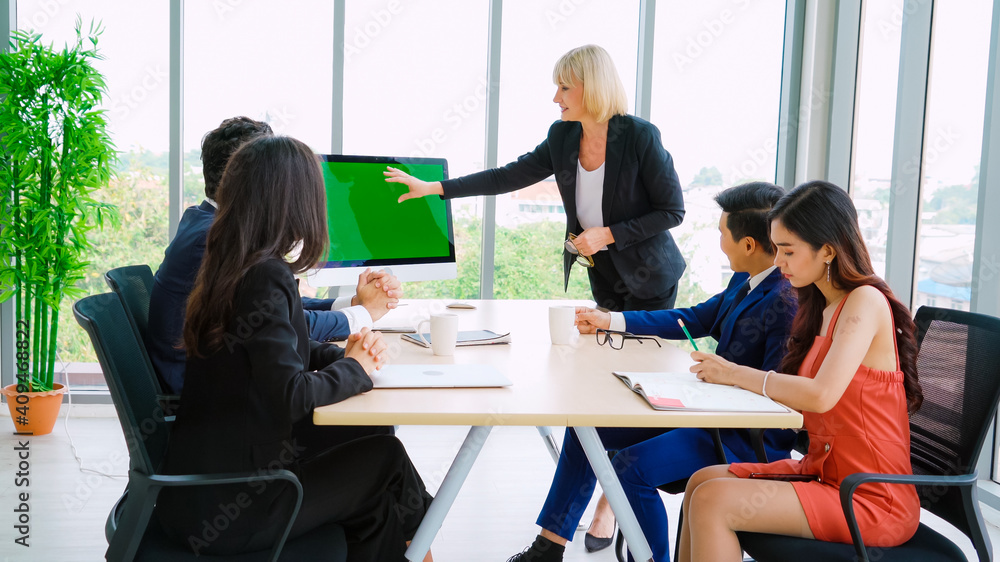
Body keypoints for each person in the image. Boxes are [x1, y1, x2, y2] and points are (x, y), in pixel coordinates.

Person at [156, 135, 433, 561]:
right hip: (238, 505)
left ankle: (415, 545)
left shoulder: (232, 261)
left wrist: (345, 356)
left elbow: (278, 354)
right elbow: (290, 396)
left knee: (374, 483)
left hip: (205, 490)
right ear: (295, 201)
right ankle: (428, 542)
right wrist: (356, 368)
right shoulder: (265, 274)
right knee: (387, 460)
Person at [505, 182, 797, 562]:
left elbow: (777, 391)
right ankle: (548, 548)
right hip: (708, 412)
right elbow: (691, 319)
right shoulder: (746, 280)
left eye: (722, 234)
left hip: (739, 435)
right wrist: (611, 320)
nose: (719, 243)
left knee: (632, 469)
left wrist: (723, 376)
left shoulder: (785, 301)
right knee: (584, 425)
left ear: (748, 245)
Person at [679, 181, 923, 561]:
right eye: (776, 249)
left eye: (788, 251)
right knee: (700, 481)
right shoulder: (822, 307)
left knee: (712, 500)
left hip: (871, 496)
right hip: (826, 473)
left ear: (827, 250)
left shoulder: (865, 302)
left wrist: (735, 373)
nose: (778, 261)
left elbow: (821, 395)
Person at [385, 44, 685, 312]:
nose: (556, 97)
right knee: (608, 360)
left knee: (638, 365)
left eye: (565, 88)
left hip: (650, 277)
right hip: (605, 275)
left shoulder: (639, 136)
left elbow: (672, 211)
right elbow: (507, 176)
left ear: (592, 88)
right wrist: (433, 187)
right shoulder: (563, 135)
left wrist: (608, 234)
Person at [147, 116, 401, 395]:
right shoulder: (211, 241)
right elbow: (281, 327)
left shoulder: (207, 223)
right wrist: (363, 315)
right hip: (204, 395)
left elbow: (276, 313)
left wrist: (352, 304)